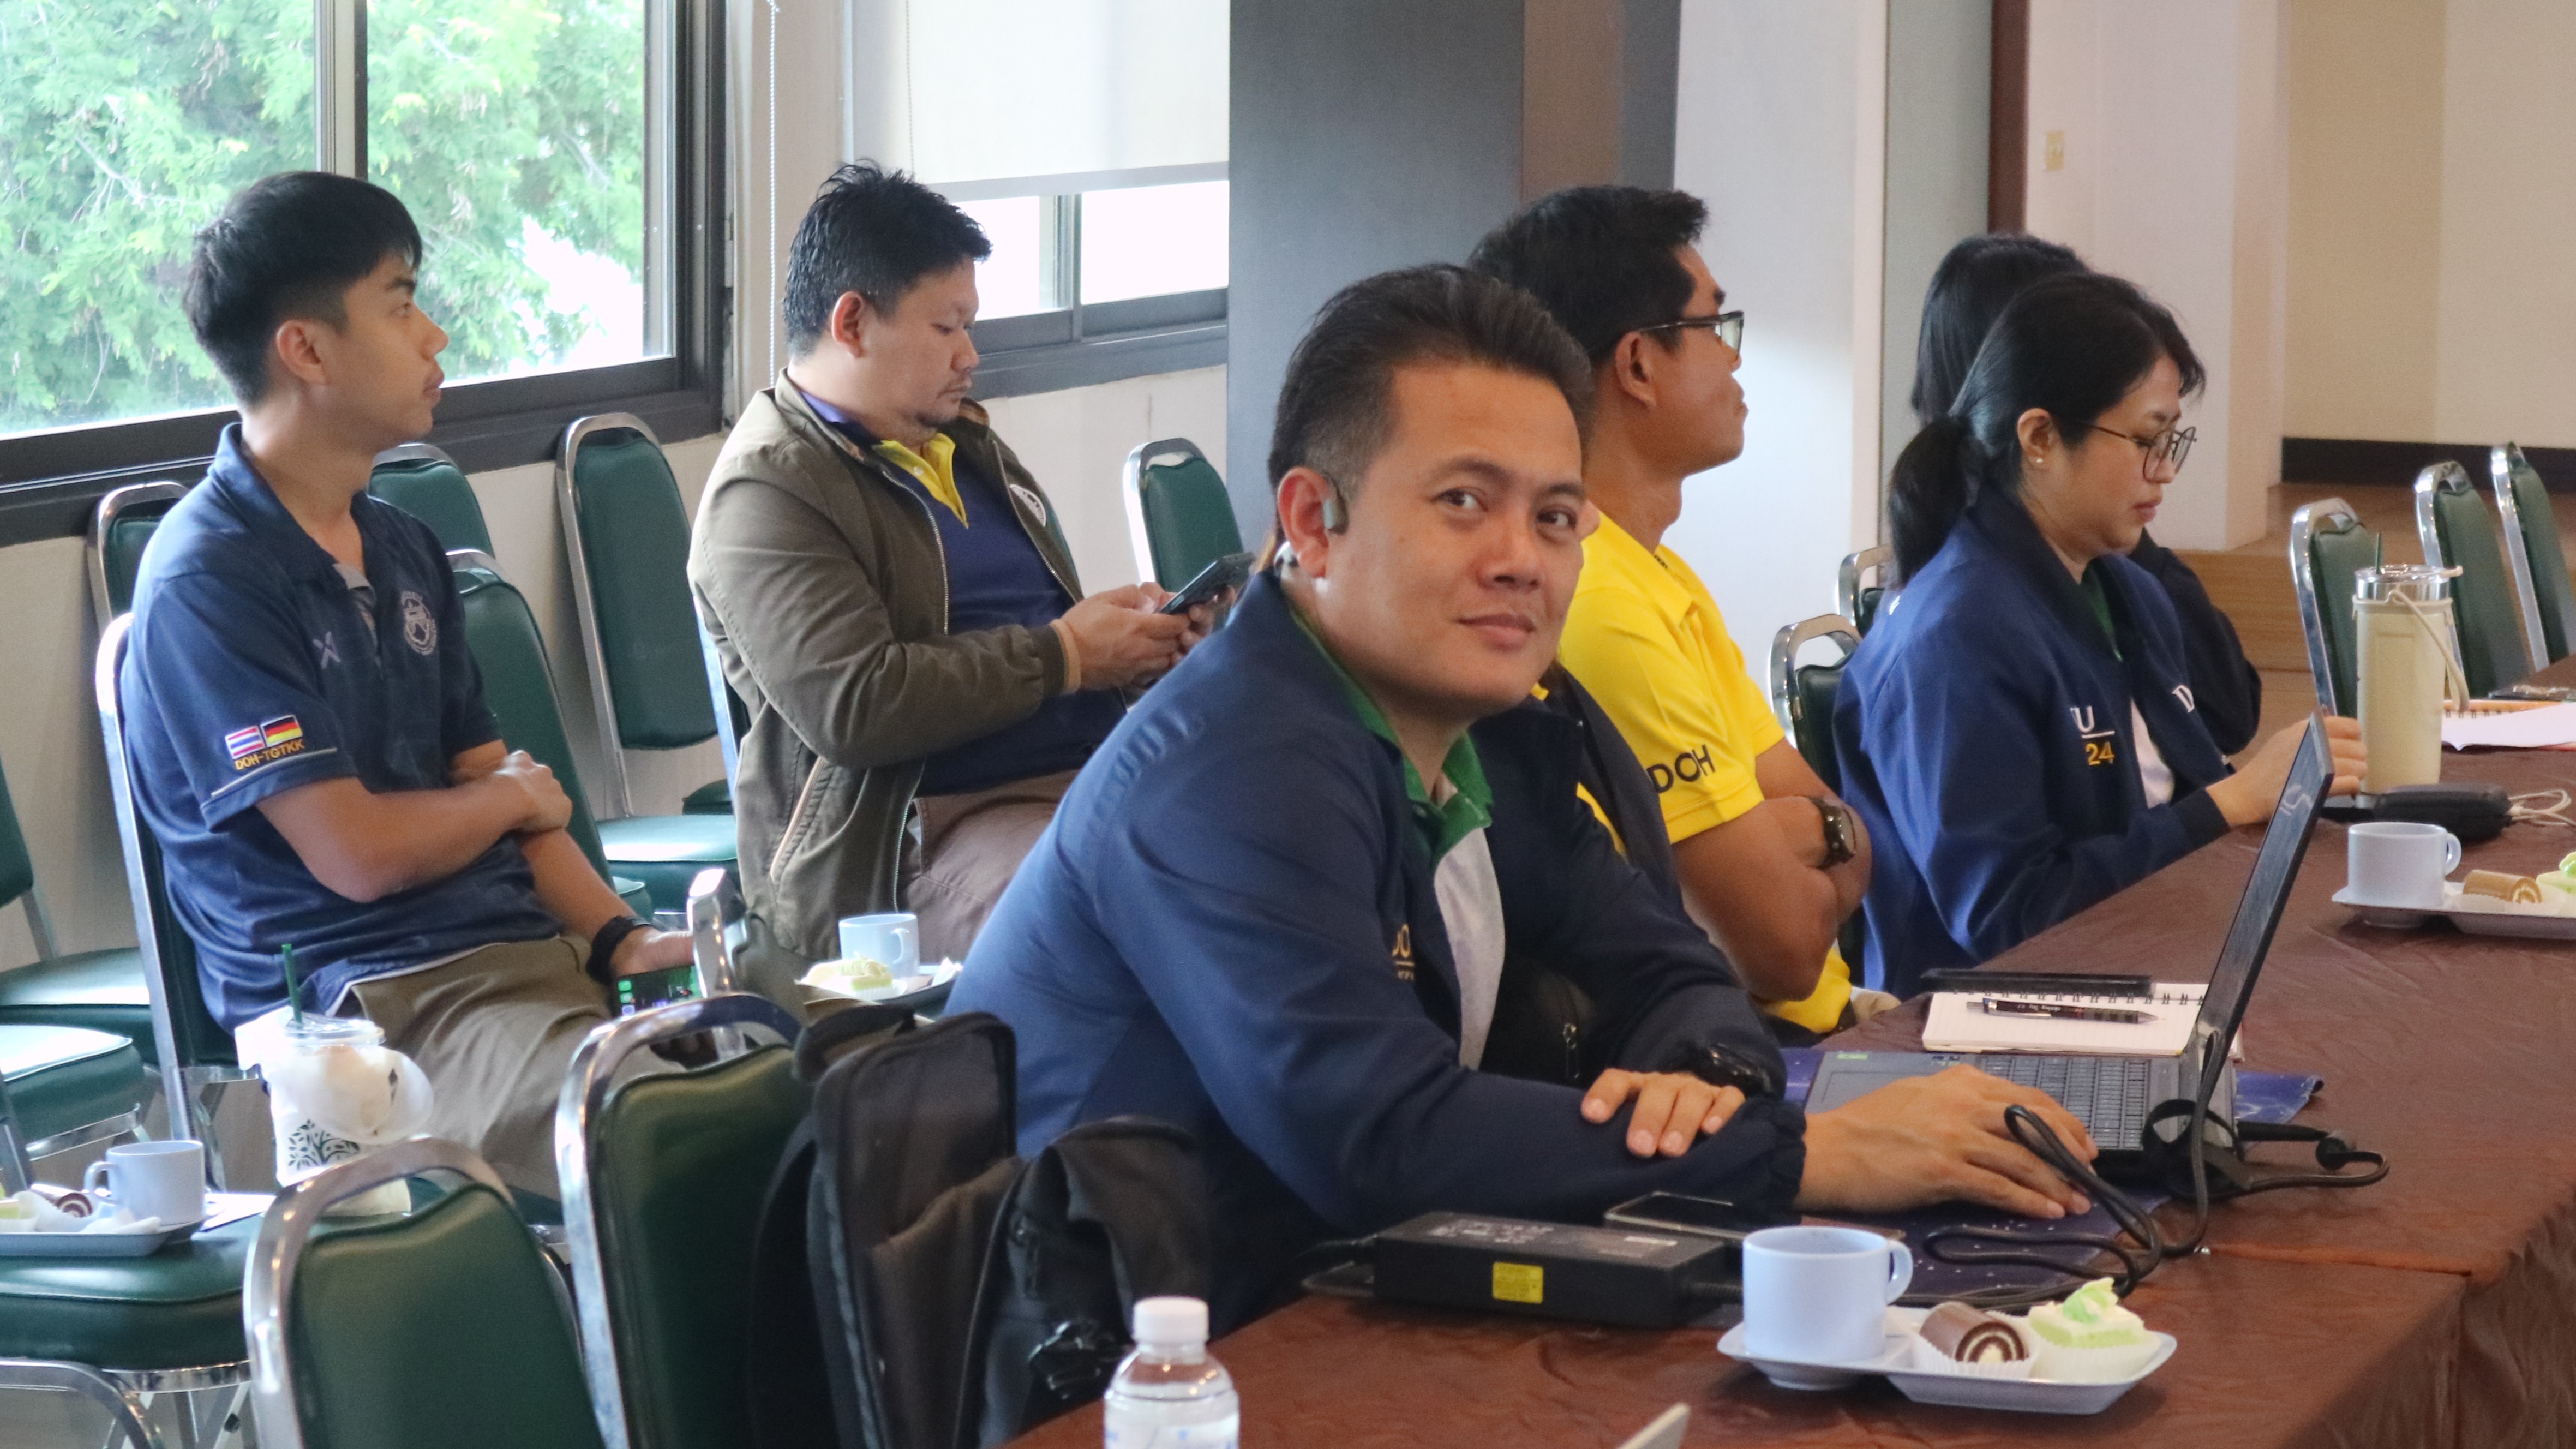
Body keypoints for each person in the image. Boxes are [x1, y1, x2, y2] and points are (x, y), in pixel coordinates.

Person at [950, 265, 2099, 1327]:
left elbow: (1666, 964)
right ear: (1312, 522)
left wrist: (1700, 1089)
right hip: (1151, 1361)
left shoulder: (1480, 722)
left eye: (1555, 517)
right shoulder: (1228, 770)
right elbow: (1378, 1134)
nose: (1522, 558)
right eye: (1464, 500)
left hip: (1355, 1304)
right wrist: (1807, 1155)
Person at [122, 172, 694, 1194]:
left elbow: (508, 797)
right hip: (369, 1020)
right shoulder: (209, 578)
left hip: (523, 969)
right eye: (399, 304)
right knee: (661, 1134)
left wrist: (622, 935)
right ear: (306, 350)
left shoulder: (403, 546)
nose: (434, 335)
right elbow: (359, 855)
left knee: (796, 1067)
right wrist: (505, 799)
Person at [690, 163, 1207, 989]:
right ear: (852, 323)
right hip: (919, 841)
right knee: (1127, 916)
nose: (970, 354)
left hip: (1083, 786)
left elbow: (1040, 637)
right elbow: (857, 705)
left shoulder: (962, 447)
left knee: (1274, 854)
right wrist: (1069, 656)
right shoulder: (768, 491)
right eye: (946, 327)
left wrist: (1135, 646)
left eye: (970, 325)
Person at [1838, 271, 2365, 997]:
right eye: (2145, 439)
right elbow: (2007, 916)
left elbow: (2190, 788)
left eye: (2171, 441)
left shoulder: (2126, 589)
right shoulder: (1954, 638)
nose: (2164, 470)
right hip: (1992, 1016)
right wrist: (2232, 802)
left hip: (2151, 954)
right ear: (2040, 438)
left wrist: (2282, 791)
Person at [1468, 185, 1880, 1040]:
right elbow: (1782, 948)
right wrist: (1815, 835)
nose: (1733, 359)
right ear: (1637, 365)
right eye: (1713, 326)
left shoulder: (1660, 574)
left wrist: (1806, 830)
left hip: (1829, 1022)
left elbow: (1845, 832)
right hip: (1764, 1048)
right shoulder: (1600, 602)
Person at [1911, 234, 2264, 754]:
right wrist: (2235, 795)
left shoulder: (2112, 569)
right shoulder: (1965, 619)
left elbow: (2227, 716)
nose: (2165, 469)